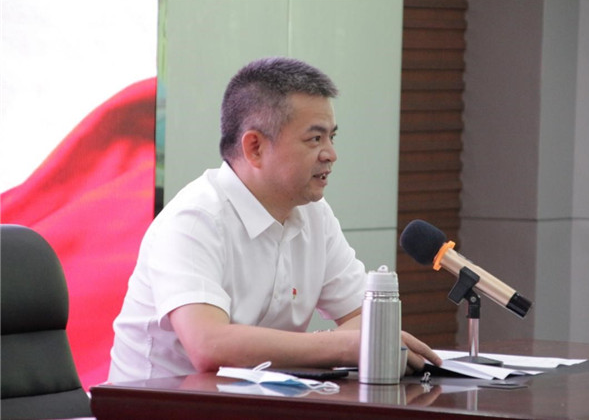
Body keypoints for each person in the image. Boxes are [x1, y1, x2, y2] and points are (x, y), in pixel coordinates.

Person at [108, 57, 441, 382]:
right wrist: (340, 346)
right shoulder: (195, 220)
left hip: (254, 403)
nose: (331, 154)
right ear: (255, 147)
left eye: (332, 137)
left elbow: (367, 321)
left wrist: (343, 343)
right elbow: (208, 346)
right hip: (158, 405)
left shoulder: (314, 214)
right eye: (315, 139)